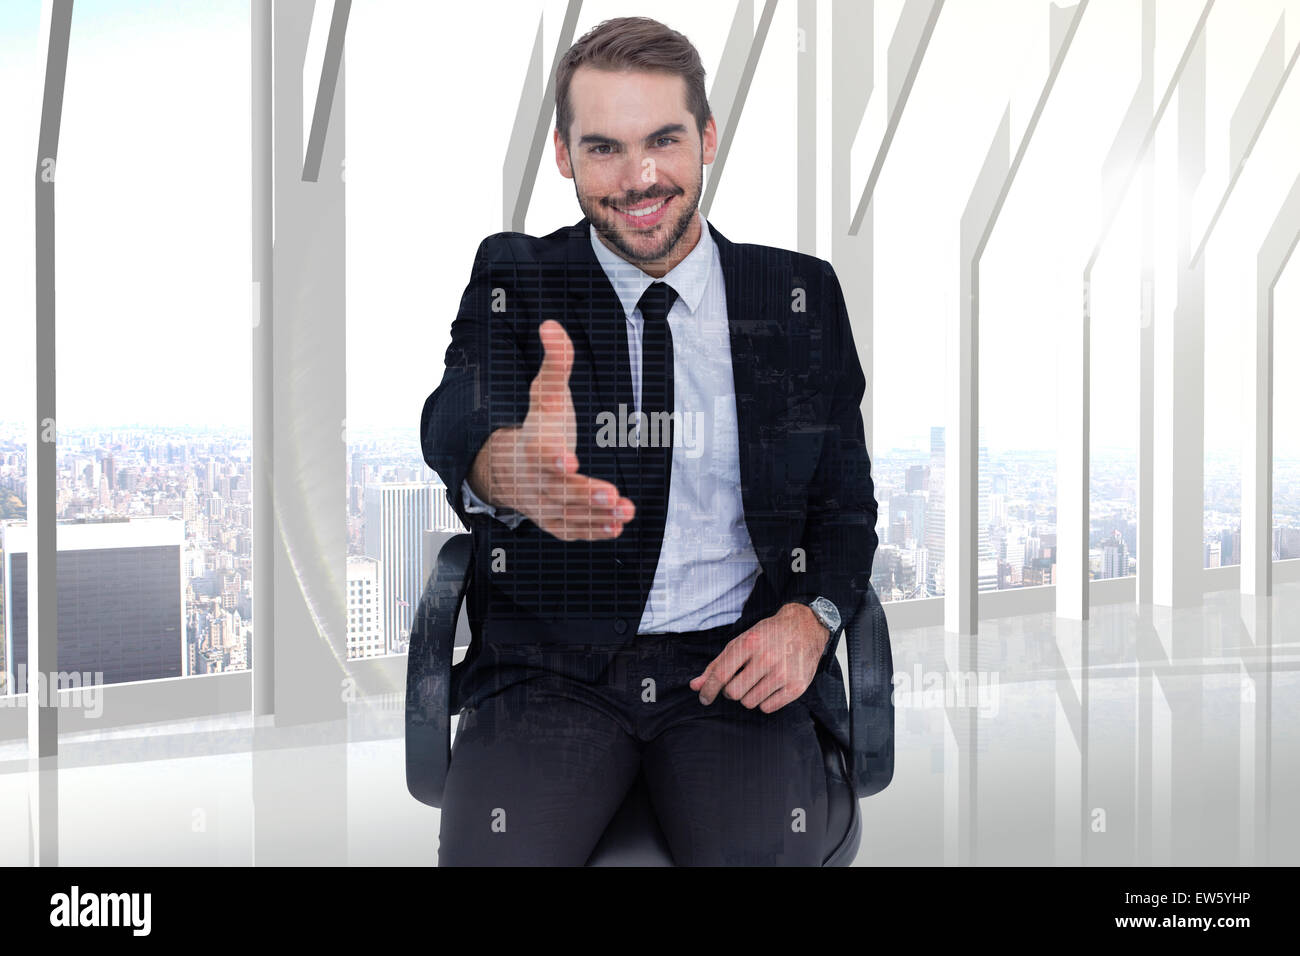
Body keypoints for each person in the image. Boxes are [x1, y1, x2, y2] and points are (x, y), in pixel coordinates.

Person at [420, 15, 878, 865]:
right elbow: (458, 412)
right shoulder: (517, 277)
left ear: (706, 137)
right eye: (603, 149)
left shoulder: (797, 297)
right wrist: (509, 464)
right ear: (564, 155)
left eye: (664, 140)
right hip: (552, 672)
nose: (639, 178)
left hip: (731, 664)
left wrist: (809, 620)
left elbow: (845, 508)